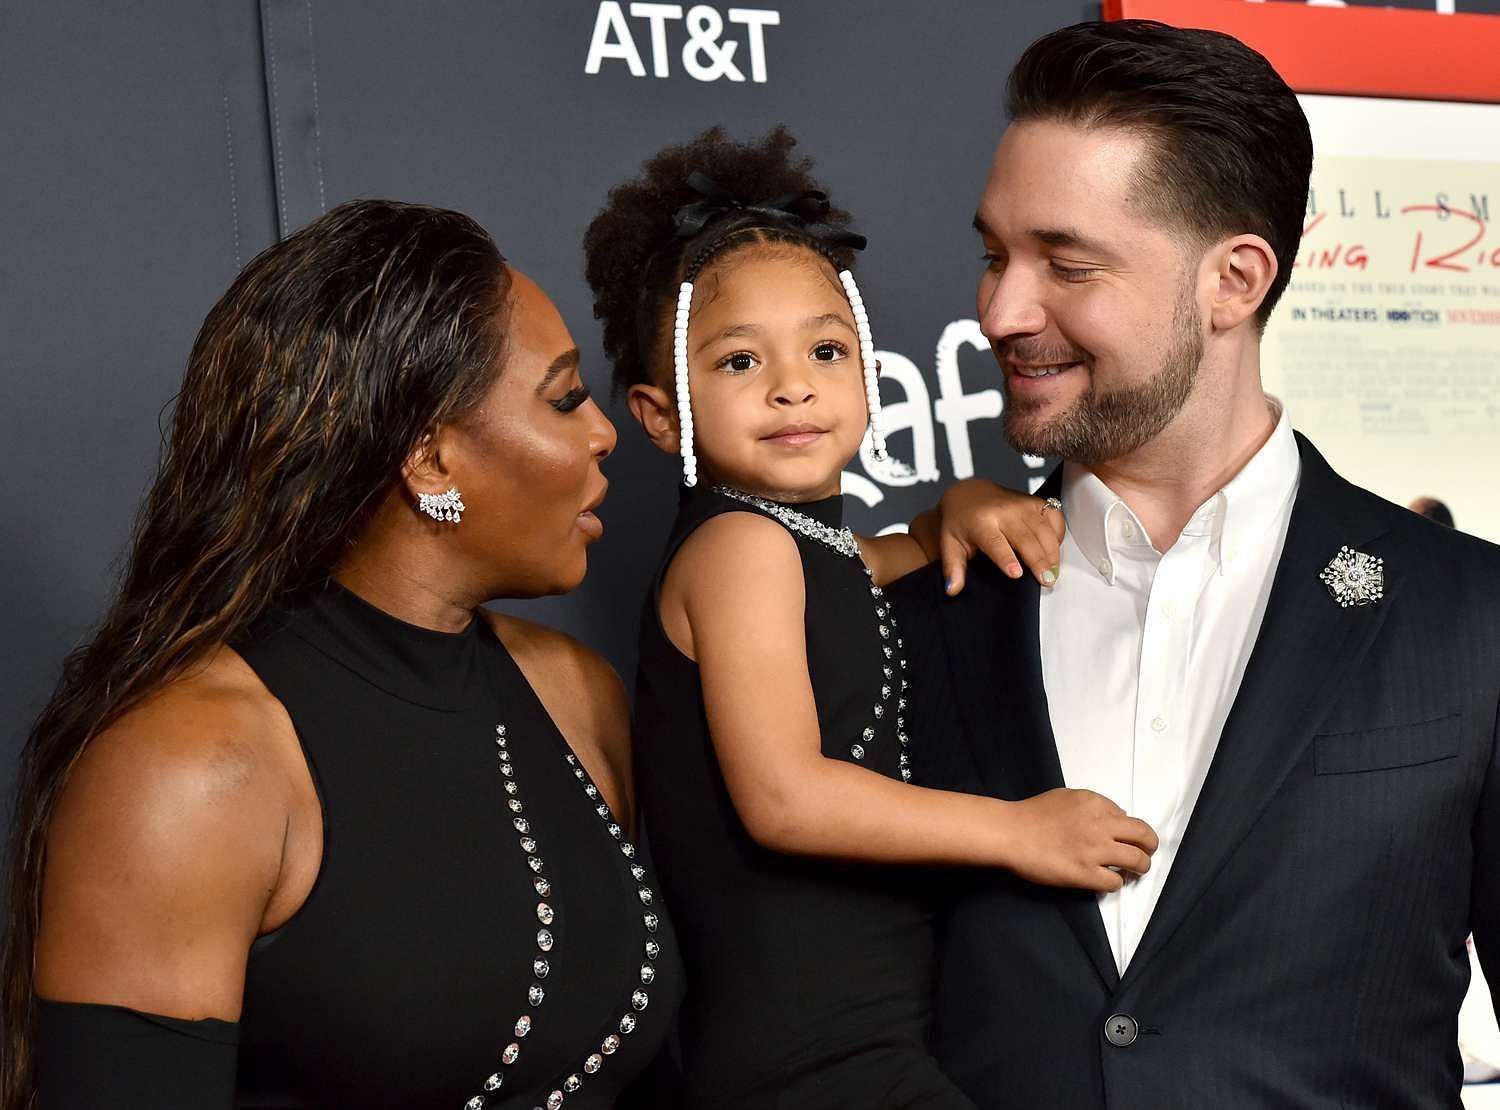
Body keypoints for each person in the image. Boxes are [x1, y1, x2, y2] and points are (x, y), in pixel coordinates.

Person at [888, 19, 1500, 1109]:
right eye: (995, 254)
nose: (999, 310)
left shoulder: (1470, 612)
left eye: (1066, 263)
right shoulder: (921, 604)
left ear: (1235, 281)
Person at [3, 199, 682, 1109]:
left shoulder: (574, 695)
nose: (603, 432)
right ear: (430, 460)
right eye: (563, 398)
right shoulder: (187, 768)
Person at [582, 127, 1159, 1109]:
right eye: (736, 363)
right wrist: (1020, 832)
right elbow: (788, 798)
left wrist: (954, 511)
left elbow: (871, 563)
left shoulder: (796, 545)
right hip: (806, 1053)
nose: (792, 384)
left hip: (862, 1032)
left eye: (823, 348)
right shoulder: (739, 552)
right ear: (661, 416)